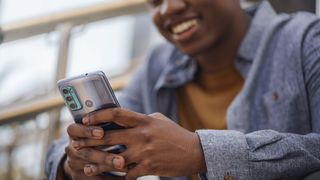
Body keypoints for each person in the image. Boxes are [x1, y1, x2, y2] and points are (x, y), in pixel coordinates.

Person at [45, 0, 320, 179]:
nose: (169, 8)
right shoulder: (158, 64)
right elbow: (59, 150)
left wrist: (201, 153)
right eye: (155, 1)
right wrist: (73, 164)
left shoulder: (307, 42)